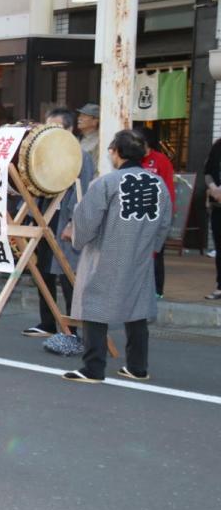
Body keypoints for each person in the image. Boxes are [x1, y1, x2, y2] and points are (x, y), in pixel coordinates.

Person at [63, 130, 171, 383]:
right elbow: (164, 223)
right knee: (137, 309)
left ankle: (93, 368)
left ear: (117, 152)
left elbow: (87, 220)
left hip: (106, 253)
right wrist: (150, 247)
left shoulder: (107, 183)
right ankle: (137, 367)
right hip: (140, 255)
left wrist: (74, 234)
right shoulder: (158, 184)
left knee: (95, 306)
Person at [23, 108, 92, 350]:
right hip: (45, 215)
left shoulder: (81, 155)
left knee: (67, 273)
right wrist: (30, 215)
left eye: (58, 128)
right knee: (43, 270)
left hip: (66, 219)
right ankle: (47, 321)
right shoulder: (43, 153)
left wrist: (74, 221)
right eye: (48, 128)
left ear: (70, 130)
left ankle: (71, 328)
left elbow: (83, 191)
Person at [139, 130, 176, 298]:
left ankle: (157, 290)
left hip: (156, 215)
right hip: (136, 215)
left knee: (156, 253)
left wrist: (167, 214)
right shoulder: (133, 160)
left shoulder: (161, 160)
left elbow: (169, 190)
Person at [205, 138, 221, 300]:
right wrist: (214, 189)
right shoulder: (217, 146)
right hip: (218, 205)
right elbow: (208, 172)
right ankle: (220, 286)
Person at [77, 104, 101, 172]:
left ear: (95, 121)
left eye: (84, 116)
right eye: (80, 115)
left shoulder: (99, 141)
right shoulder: (77, 138)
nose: (79, 118)